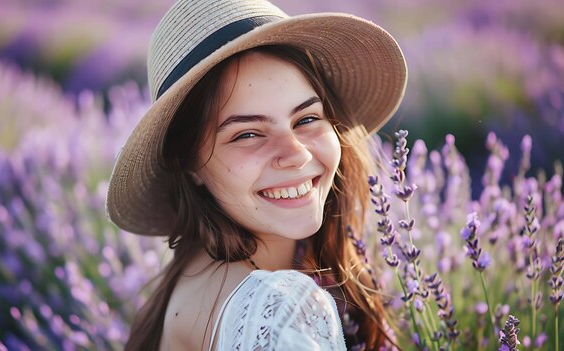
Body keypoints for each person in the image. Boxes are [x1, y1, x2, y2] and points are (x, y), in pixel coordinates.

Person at [106, 0, 407, 349]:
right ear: (190, 165)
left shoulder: (197, 276)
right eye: (247, 134)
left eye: (307, 119)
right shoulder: (277, 308)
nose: (296, 154)